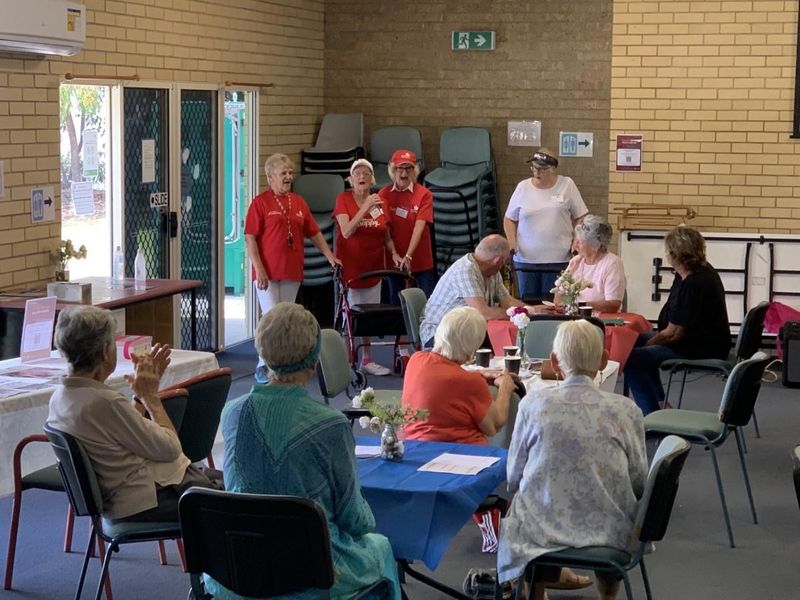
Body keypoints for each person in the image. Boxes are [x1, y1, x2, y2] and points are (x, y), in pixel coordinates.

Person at [216, 302, 401, 600]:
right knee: (379, 545)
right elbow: (355, 520)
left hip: (238, 572)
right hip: (313, 575)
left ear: (261, 353)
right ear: (314, 360)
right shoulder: (331, 424)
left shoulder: (232, 414)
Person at [497, 320, 648, 600]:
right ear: (603, 360)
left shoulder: (532, 405)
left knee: (525, 506)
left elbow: (513, 477)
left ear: (554, 362)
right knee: (616, 504)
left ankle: (536, 588)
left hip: (542, 532)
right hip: (611, 533)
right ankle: (608, 593)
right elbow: (640, 481)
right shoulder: (628, 410)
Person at [47, 306, 222, 522]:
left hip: (128, 494)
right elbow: (170, 449)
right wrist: (150, 398)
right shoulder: (103, 402)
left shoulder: (60, 398)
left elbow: (123, 434)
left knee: (228, 482)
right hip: (145, 499)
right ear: (104, 351)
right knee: (241, 496)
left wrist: (139, 397)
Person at [244, 153, 340, 384]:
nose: (288, 177)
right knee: (271, 317)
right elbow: (250, 238)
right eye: (282, 174)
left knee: (284, 318)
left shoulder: (298, 202)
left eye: (289, 173)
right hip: (267, 271)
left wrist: (329, 255)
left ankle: (281, 364)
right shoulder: (260, 203)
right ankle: (263, 364)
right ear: (270, 177)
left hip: (291, 270)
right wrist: (260, 269)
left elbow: (314, 232)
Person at [624, 226, 730, 415]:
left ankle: (651, 414)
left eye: (666, 250)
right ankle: (660, 402)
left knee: (632, 358)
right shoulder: (689, 274)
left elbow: (673, 334)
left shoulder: (694, 283)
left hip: (698, 346)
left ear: (675, 254)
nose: (665, 253)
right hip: (691, 339)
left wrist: (650, 343)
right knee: (632, 341)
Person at [403, 307, 515, 444]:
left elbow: (442, 377)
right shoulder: (470, 382)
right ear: (472, 347)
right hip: (463, 453)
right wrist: (505, 388)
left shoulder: (416, 360)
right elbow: (494, 426)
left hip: (415, 447)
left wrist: (476, 373)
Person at [418, 234, 548, 348]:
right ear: (498, 261)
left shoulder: (492, 271)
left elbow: (507, 301)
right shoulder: (465, 270)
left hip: (463, 331)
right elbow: (483, 313)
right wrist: (520, 314)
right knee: (506, 342)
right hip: (439, 335)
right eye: (504, 262)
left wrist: (533, 310)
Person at [334, 158, 401, 376]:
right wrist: (365, 208)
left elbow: (386, 235)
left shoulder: (380, 202)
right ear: (350, 180)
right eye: (357, 174)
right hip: (352, 267)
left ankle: (367, 359)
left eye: (366, 174)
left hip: (374, 267)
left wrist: (394, 253)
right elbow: (346, 231)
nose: (362, 177)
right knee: (351, 314)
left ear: (372, 179)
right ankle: (347, 360)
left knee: (369, 316)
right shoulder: (343, 200)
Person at [503, 148, 588, 301]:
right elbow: (509, 218)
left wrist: (577, 240)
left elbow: (580, 216)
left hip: (558, 258)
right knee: (528, 303)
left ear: (553, 169)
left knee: (554, 303)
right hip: (526, 259)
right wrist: (512, 243)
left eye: (542, 169)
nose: (537, 172)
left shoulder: (567, 185)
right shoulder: (523, 187)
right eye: (534, 167)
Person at [378, 149, 436, 300]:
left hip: (420, 259)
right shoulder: (383, 195)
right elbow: (385, 229)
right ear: (393, 170)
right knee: (395, 303)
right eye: (400, 168)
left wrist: (409, 256)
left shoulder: (424, 194)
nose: (404, 173)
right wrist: (394, 254)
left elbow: (420, 226)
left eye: (408, 168)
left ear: (414, 170)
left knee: (424, 303)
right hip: (394, 259)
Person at [554, 215, 626, 313]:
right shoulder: (576, 262)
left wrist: (579, 306)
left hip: (600, 321)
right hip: (573, 317)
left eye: (579, 242)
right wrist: (560, 303)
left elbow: (613, 305)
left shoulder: (612, 263)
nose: (575, 246)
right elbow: (559, 293)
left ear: (595, 244)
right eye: (575, 241)